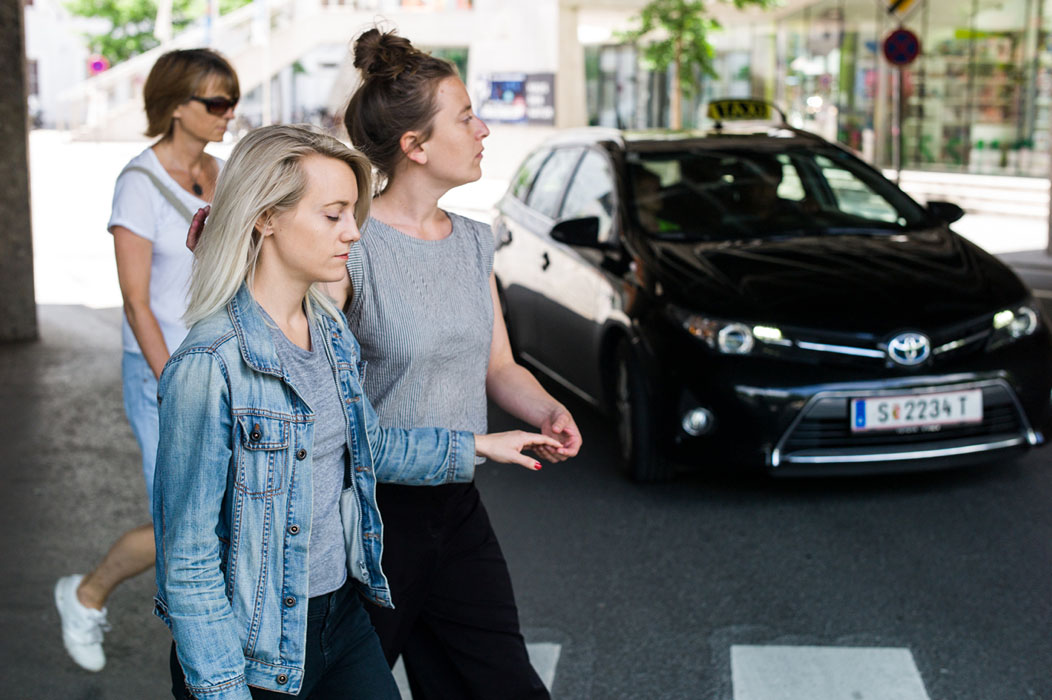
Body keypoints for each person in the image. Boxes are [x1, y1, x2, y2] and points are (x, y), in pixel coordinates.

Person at [158, 124, 559, 700]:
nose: (353, 232)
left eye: (354, 213)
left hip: (341, 622)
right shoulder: (210, 364)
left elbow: (367, 447)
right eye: (333, 215)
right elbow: (190, 563)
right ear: (265, 217)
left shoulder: (329, 334)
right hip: (255, 649)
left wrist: (478, 445)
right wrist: (222, 690)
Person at [337, 28, 583, 700]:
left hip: (455, 509)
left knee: (501, 687)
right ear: (414, 147)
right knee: (347, 689)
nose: (484, 130)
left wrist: (547, 410)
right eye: (466, 116)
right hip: (367, 523)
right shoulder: (350, 248)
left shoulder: (474, 242)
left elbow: (497, 365)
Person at [54, 48, 239, 673]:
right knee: (186, 526)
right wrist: (174, 380)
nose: (227, 113)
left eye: (231, 101)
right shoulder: (138, 183)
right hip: (162, 370)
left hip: (227, 365)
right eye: (216, 102)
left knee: (231, 513)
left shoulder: (223, 173)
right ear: (176, 106)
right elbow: (136, 302)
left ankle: (227, 652)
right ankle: (87, 595)